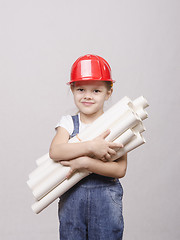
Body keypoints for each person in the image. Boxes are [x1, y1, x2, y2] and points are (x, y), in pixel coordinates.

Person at [49, 54, 127, 240]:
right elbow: (56, 151)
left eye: (96, 91)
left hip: (106, 200)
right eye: (81, 89)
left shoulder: (117, 125)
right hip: (72, 201)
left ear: (109, 93)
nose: (87, 96)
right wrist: (91, 147)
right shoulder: (68, 123)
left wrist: (86, 163)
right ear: (73, 89)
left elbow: (120, 169)